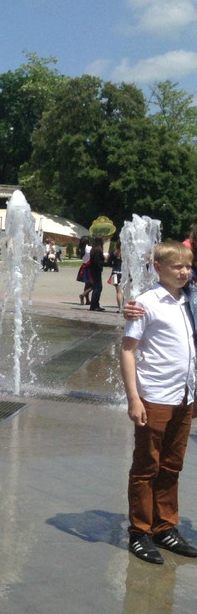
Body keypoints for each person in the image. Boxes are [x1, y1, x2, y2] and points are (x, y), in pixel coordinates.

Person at [119, 241, 197, 564]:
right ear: (158, 269)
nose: (184, 272)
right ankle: (139, 531)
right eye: (177, 267)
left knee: (172, 465)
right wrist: (133, 398)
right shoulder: (147, 303)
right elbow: (127, 350)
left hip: (184, 396)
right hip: (155, 397)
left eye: (188, 266)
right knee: (146, 465)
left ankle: (165, 526)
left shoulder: (188, 300)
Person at [87, 237, 106, 311]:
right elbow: (98, 262)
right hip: (96, 270)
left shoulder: (94, 249)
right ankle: (95, 305)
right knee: (98, 288)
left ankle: (94, 304)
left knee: (96, 287)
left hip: (93, 270)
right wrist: (106, 263)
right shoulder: (98, 250)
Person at [107, 239, 124, 311]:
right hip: (124, 273)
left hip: (115, 273)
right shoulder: (127, 254)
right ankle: (124, 306)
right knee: (125, 291)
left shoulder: (113, 253)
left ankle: (120, 308)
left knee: (118, 292)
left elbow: (109, 264)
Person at [77, 235, 94, 305]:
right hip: (90, 267)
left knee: (87, 284)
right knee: (94, 285)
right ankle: (83, 295)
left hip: (84, 267)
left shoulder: (80, 249)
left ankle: (87, 300)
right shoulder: (90, 248)